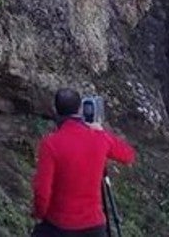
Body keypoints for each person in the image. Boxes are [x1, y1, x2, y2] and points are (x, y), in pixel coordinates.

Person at [31, 88, 136, 237]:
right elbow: (128, 155)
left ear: (56, 110)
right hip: (94, 226)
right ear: (80, 109)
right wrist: (101, 131)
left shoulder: (50, 144)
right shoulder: (99, 138)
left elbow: (42, 191)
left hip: (59, 224)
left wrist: (39, 214)